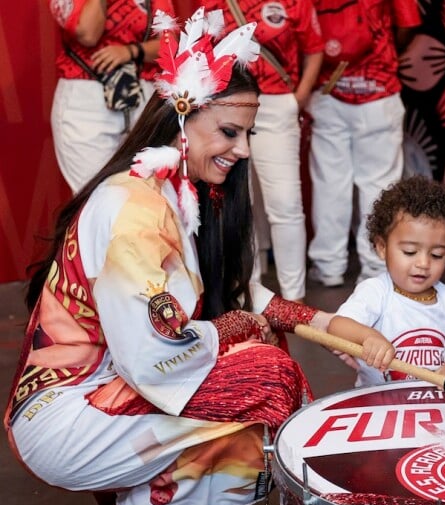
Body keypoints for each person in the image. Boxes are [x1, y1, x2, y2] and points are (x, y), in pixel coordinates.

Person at [4, 10, 342, 505]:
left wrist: (330, 326)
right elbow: (155, 354)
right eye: (230, 132)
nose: (242, 150)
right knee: (270, 378)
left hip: (104, 390)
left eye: (247, 134)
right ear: (182, 120)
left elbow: (239, 293)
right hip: (64, 417)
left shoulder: (177, 195)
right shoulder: (134, 206)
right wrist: (238, 330)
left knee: (261, 356)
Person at [192, 0, 324, 302]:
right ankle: (245, 289)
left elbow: (314, 48)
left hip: (276, 104)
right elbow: (201, 49)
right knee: (237, 199)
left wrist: (298, 98)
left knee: (285, 203)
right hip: (228, 105)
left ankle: (294, 296)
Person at [307, 0, 421, 287]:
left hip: (329, 88)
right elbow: (408, 23)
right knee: (379, 183)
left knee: (329, 182)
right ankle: (375, 267)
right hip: (379, 90)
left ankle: (328, 265)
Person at [328, 175, 445, 388]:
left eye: (436, 255)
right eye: (410, 251)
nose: (424, 263)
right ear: (381, 247)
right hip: (379, 405)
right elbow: (337, 326)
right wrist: (369, 337)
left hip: (433, 404)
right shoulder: (376, 292)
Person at [49, 0, 175, 194]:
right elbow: (89, 34)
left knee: (145, 196)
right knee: (95, 197)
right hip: (87, 106)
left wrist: (131, 51)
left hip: (141, 100)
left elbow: (170, 44)